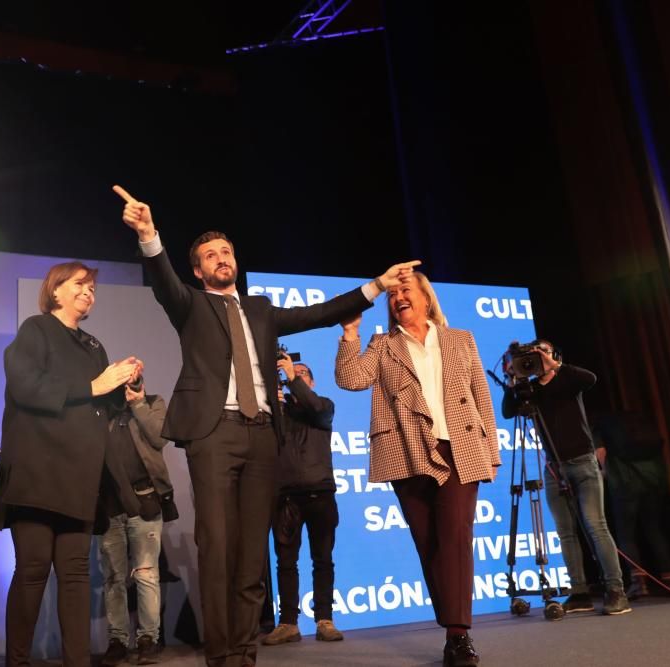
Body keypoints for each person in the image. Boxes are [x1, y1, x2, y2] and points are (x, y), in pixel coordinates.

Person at [114, 184, 418, 667]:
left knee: (254, 550)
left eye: (226, 251)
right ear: (198, 269)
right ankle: (219, 653)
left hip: (261, 436)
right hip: (213, 432)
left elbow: (319, 313)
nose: (220, 258)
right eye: (210, 255)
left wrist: (377, 285)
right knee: (216, 544)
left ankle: (243, 651)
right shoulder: (190, 304)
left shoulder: (260, 310)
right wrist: (150, 234)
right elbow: (162, 280)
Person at [335, 274, 499, 667]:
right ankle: (452, 629)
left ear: (426, 297)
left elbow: (481, 395)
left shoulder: (461, 338)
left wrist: (489, 452)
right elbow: (350, 379)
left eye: (405, 291)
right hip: (406, 452)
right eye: (392, 295)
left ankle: (459, 636)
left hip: (460, 447)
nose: (398, 298)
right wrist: (350, 333)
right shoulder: (383, 344)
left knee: (456, 537)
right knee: (429, 545)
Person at [0, 261, 141, 667]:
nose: (89, 291)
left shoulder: (93, 346)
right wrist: (94, 386)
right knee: (33, 569)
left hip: (79, 476)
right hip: (37, 473)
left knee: (75, 576)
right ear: (55, 291)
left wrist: (123, 390)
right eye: (80, 284)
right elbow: (25, 386)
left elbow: (99, 406)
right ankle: (17, 662)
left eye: (92, 286)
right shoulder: (35, 330)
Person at [500, 340, 631, 617]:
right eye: (533, 354)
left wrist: (553, 365)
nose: (538, 358)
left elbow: (590, 378)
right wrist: (511, 378)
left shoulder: (569, 380)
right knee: (565, 533)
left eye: (543, 352)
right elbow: (509, 412)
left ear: (554, 355)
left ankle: (616, 591)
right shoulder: (531, 390)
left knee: (596, 527)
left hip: (583, 463)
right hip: (553, 468)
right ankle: (580, 592)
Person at [263, 355, 344, 646]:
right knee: (286, 562)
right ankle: (288, 623)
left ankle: (325, 620)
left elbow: (313, 405)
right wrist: (272, 403)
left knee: (322, 560)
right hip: (285, 498)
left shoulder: (323, 407)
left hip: (320, 493)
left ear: (311, 382)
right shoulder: (278, 414)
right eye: (290, 374)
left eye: (302, 374)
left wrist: (293, 380)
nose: (295, 376)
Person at [99, 380, 178, 666]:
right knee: (113, 577)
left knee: (146, 574)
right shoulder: (101, 411)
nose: (125, 387)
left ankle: (148, 639)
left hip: (145, 500)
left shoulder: (153, 402)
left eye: (130, 381)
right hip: (109, 504)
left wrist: (137, 402)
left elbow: (159, 437)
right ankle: (118, 640)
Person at [594, 410, 670, 597]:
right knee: (654, 529)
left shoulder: (602, 426)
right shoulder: (642, 422)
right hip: (652, 479)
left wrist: (606, 474)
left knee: (626, 534)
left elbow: (600, 452)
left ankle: (639, 583)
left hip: (625, 481)